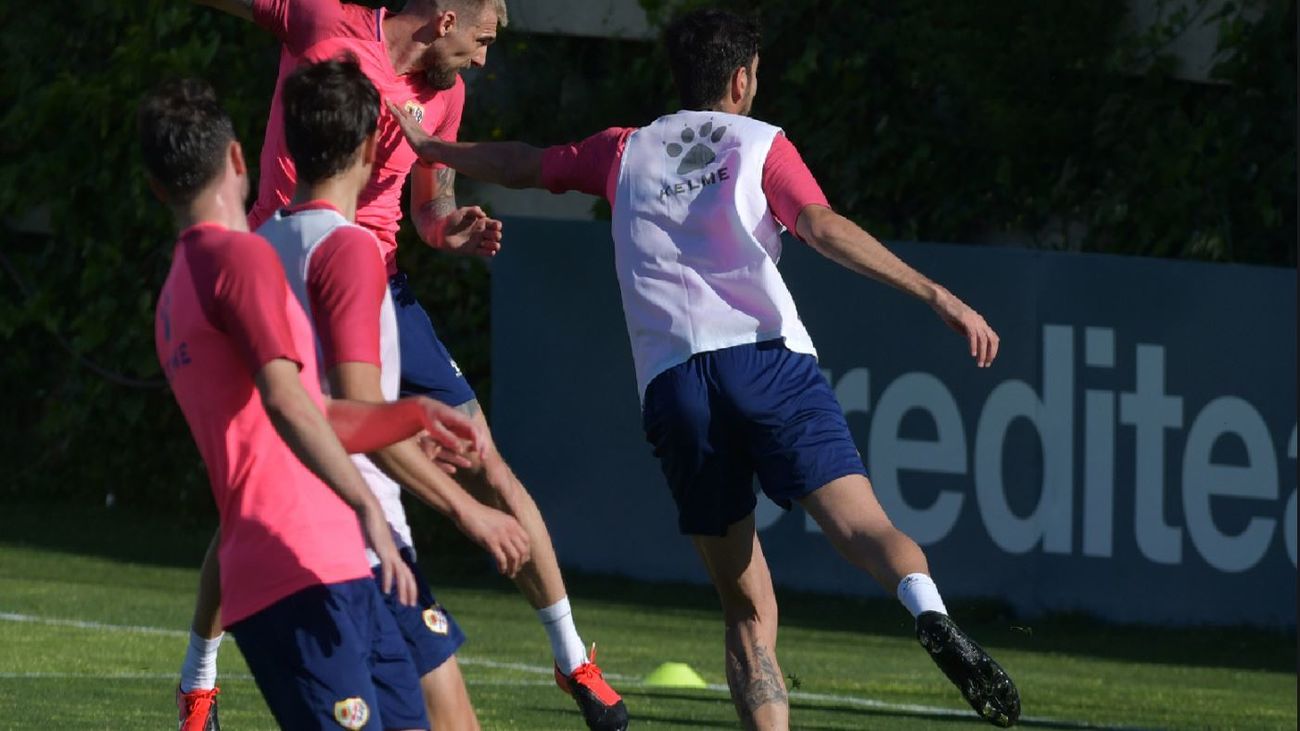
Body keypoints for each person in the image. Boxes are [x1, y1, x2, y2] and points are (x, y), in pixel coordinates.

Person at [386, 7, 1022, 729]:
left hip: (677, 386)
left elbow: (527, 161)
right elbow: (821, 227)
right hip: (770, 364)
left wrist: (434, 145)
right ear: (743, 78)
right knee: (862, 524)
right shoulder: (762, 144)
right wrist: (935, 293)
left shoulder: (624, 149)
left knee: (747, 608)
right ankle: (926, 608)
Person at [177, 3, 628, 730]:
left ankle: (573, 657)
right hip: (288, 270)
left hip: (376, 285)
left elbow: (427, 204)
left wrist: (448, 228)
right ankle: (198, 678)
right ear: (446, 17)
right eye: (482, 41)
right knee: (266, 484)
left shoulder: (444, 96)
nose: (483, 60)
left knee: (488, 462)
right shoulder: (325, 19)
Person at [142, 76, 487, 731]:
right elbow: (287, 404)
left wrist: (411, 416)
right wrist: (368, 505)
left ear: (158, 188)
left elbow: (310, 410)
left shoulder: (171, 297)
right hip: (297, 565)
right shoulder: (238, 258)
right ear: (241, 160)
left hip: (329, 562)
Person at [264, 55, 528, 729]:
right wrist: (469, 509)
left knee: (449, 709)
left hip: (295, 537)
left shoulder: (259, 246)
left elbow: (301, 409)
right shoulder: (351, 250)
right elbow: (353, 415)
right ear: (371, 146)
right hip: (355, 544)